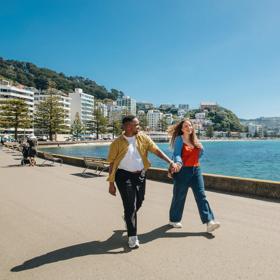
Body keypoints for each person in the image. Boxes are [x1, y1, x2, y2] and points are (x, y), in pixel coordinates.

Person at [107, 115, 180, 249]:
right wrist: (111, 183)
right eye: (136, 124)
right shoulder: (117, 143)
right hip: (123, 176)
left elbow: (156, 150)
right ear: (128, 126)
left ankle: (128, 216)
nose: (139, 127)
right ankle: (132, 237)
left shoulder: (143, 137)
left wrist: (170, 162)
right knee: (130, 206)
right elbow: (111, 163)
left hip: (140, 174)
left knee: (140, 200)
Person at [168, 119, 220, 233]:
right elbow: (176, 154)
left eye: (190, 125)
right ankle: (174, 219)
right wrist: (179, 163)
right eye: (186, 126)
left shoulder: (195, 140)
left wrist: (199, 152)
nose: (188, 127)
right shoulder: (179, 139)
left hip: (196, 170)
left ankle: (209, 222)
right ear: (182, 129)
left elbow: (199, 154)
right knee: (179, 196)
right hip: (182, 171)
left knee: (201, 196)